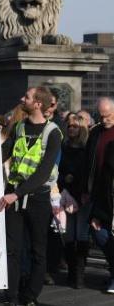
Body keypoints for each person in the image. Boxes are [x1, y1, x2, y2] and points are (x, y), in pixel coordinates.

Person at [0, 86, 61, 306]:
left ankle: (29, 296)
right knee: (12, 250)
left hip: (36, 197)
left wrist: (17, 193)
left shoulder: (52, 132)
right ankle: (11, 297)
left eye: (27, 97)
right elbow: (2, 153)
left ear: (38, 104)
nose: (21, 98)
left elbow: (43, 171)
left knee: (37, 250)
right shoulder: (18, 127)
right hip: (13, 196)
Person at [58, 112, 91, 289]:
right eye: (69, 126)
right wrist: (64, 181)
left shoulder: (86, 149)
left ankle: (79, 275)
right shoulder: (62, 147)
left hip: (82, 194)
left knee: (81, 234)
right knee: (69, 235)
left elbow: (88, 172)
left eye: (75, 126)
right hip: (66, 193)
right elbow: (57, 170)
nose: (71, 129)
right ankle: (72, 272)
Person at [89, 97, 114, 293]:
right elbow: (89, 161)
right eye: (101, 115)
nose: (104, 119)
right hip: (98, 190)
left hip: (112, 191)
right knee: (99, 233)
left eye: (108, 116)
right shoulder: (96, 132)